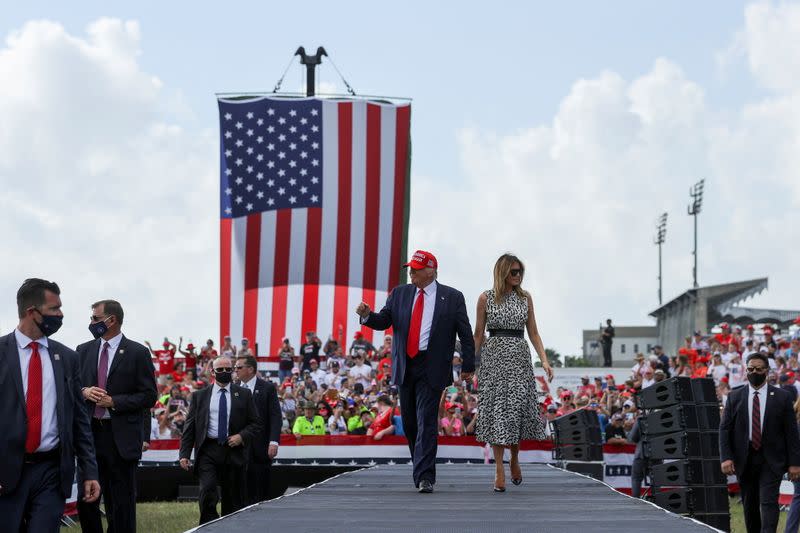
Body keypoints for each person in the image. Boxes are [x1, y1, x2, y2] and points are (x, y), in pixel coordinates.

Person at [356, 249, 475, 493]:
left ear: (431, 270)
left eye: (416, 269)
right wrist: (367, 316)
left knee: (426, 421)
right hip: (405, 364)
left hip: (432, 366)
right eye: (410, 269)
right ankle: (421, 465)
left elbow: (465, 332)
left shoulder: (452, 297)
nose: (411, 273)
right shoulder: (400, 293)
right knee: (410, 423)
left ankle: (425, 476)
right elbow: (384, 321)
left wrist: (468, 364)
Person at [0, 278, 101, 532]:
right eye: (54, 309)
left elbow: (80, 420)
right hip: (6, 471)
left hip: (51, 473)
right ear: (31, 312)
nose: (61, 314)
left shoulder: (67, 358)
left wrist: (89, 471)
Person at [76, 299, 158, 533]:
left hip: (120, 438)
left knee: (120, 501)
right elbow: (72, 386)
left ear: (111, 320)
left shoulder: (137, 352)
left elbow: (149, 396)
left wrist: (115, 402)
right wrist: (84, 391)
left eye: (95, 318)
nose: (91, 323)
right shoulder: (83, 350)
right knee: (87, 498)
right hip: (90, 435)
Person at [473, 254, 552, 492]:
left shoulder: (525, 298)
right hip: (494, 357)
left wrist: (545, 361)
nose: (518, 276)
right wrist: (468, 363)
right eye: (514, 272)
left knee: (515, 411)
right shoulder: (485, 298)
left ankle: (514, 458)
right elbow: (478, 334)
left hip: (519, 357)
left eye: (520, 272)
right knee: (497, 411)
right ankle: (499, 468)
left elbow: (534, 332)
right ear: (502, 272)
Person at [720, 352, 800, 533]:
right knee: (749, 504)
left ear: (767, 371)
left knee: (768, 501)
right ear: (745, 370)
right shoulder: (735, 396)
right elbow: (724, 430)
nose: (754, 372)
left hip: (771, 459)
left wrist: (795, 463)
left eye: (758, 369)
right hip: (744, 459)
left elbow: (791, 433)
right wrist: (726, 457)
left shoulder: (782, 397)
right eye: (750, 369)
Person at [179, 357, 261, 525]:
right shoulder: (199, 396)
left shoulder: (244, 394)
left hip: (233, 450)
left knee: (232, 497)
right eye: (220, 369)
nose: (224, 372)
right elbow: (190, 427)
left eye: (228, 369)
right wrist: (184, 454)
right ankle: (209, 526)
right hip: (208, 450)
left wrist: (241, 436)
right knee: (208, 490)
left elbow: (256, 423)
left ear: (232, 370)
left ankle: (229, 528)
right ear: (212, 372)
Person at [234, 355, 281, 505]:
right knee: (240, 486)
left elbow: (275, 416)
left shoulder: (267, 388)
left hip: (261, 446)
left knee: (260, 487)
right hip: (238, 445)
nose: (236, 370)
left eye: (239, 367)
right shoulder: (233, 388)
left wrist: (273, 441)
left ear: (250, 369)